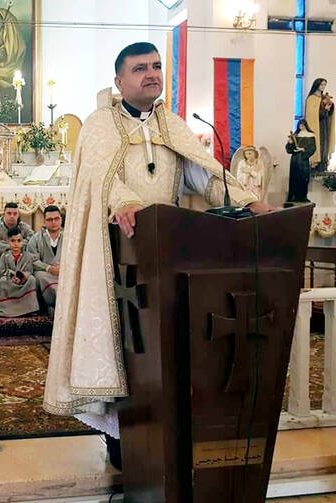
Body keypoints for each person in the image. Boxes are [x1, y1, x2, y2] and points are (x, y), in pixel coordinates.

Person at [42, 42, 273, 464]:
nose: (151, 73)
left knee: (161, 352)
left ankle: (163, 434)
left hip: (167, 259)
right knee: (127, 349)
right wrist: (126, 203)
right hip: (115, 257)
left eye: (156, 66)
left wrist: (246, 201)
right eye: (139, 68)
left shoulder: (173, 124)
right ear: (119, 81)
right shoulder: (99, 125)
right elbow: (100, 179)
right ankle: (120, 439)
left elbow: (203, 175)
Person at [26, 205, 63, 315]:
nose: (53, 222)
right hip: (44, 272)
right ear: (44, 221)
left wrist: (63, 267)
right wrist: (48, 268)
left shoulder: (70, 237)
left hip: (64, 272)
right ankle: (52, 305)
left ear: (61, 220)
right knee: (41, 277)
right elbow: (32, 260)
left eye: (56, 219)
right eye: (49, 219)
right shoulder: (36, 238)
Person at [0, 228, 40, 318]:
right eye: (13, 241)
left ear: (22, 242)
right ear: (8, 242)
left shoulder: (28, 256)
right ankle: (7, 309)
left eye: (19, 241)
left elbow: (29, 271)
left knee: (32, 279)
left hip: (23, 281)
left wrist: (22, 277)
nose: (16, 244)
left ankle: (29, 308)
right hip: (9, 280)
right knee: (2, 281)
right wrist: (10, 275)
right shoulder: (4, 256)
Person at [0, 202, 34, 268]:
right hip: (2, 261)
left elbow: (32, 240)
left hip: (21, 261)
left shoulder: (24, 226)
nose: (12, 216)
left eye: (15, 214)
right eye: (9, 213)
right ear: (4, 214)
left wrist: (13, 244)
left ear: (18, 215)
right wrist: (18, 245)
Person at [305, 78, 335, 172]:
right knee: (318, 144)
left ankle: (323, 163)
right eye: (322, 84)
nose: (323, 87)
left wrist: (330, 108)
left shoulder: (324, 98)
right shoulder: (311, 99)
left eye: (324, 85)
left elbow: (329, 113)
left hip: (325, 125)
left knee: (325, 144)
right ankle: (316, 164)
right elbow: (312, 115)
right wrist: (324, 110)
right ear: (317, 85)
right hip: (316, 127)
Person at [286, 119, 317, 204]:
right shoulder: (295, 135)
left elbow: (313, 148)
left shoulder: (311, 135)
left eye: (303, 125)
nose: (301, 127)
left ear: (305, 125)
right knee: (294, 177)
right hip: (295, 159)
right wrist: (290, 143)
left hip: (303, 160)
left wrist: (304, 150)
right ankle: (294, 196)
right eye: (300, 125)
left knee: (303, 178)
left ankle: (303, 196)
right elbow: (289, 149)